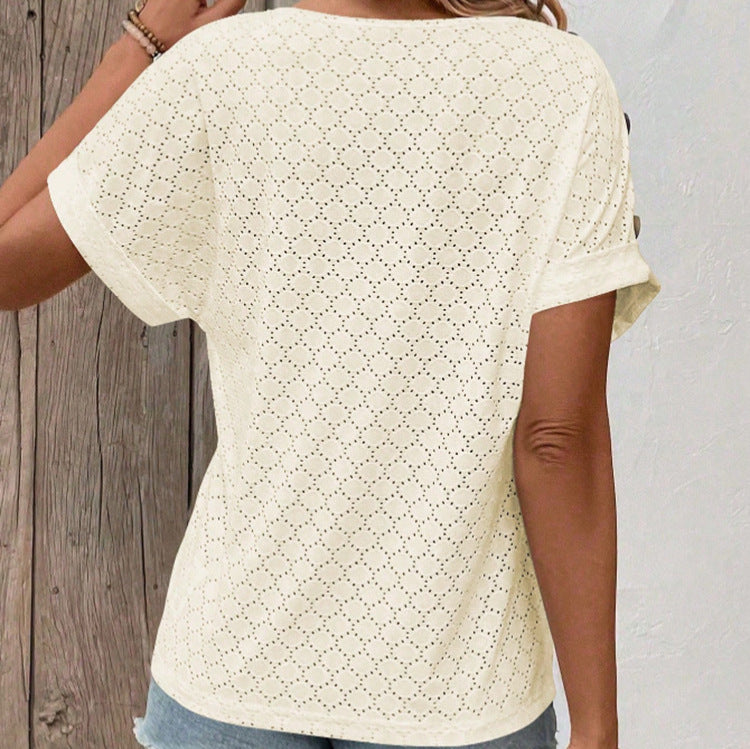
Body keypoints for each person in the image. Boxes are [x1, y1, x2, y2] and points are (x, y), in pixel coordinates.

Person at [0, 0, 661, 747]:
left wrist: (141, 45)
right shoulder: (559, 84)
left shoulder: (219, 71)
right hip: (458, 693)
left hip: (232, 674)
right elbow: (556, 440)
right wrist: (597, 726)